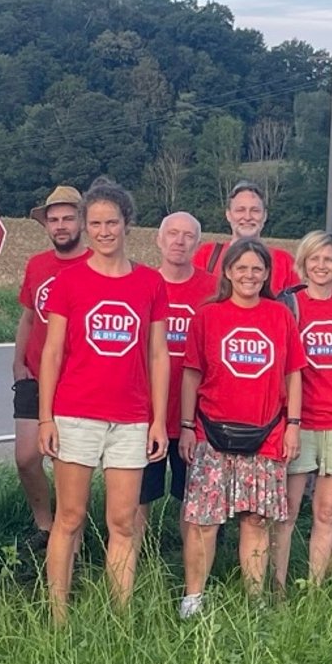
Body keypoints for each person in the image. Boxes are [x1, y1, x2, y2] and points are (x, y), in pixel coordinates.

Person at [38, 180, 169, 622]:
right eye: (95, 223)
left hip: (131, 418)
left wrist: (158, 420)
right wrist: (45, 418)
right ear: (85, 227)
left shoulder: (150, 283)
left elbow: (157, 353)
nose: (103, 231)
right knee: (70, 517)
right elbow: (52, 352)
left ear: (127, 223)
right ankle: (57, 614)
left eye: (111, 222)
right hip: (75, 413)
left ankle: (121, 614)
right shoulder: (69, 281)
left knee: (124, 522)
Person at [178, 238, 304, 615]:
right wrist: (186, 426)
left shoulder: (280, 315)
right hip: (211, 433)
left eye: (257, 269)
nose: (249, 275)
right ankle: (194, 597)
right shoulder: (207, 315)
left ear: (267, 274)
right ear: (228, 271)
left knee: (256, 520)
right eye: (241, 268)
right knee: (204, 521)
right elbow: (191, 374)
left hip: (266, 432)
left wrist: (293, 425)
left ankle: (254, 600)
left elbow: (294, 374)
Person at [269, 231, 332, 589]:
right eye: (315, 259)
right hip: (301, 422)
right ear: (304, 263)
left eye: (329, 260)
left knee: (326, 512)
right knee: (288, 512)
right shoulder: (288, 307)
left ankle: (314, 586)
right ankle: (277, 587)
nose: (321, 266)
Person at [13, 185, 88, 548]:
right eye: (54, 220)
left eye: (68, 218)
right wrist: (17, 361)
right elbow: (28, 317)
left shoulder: (94, 265)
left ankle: (71, 530)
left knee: (67, 462)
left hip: (76, 378)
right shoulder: (37, 265)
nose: (60, 226)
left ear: (82, 222)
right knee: (27, 457)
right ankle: (44, 525)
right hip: (35, 372)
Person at [141, 211, 207, 511]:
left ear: (197, 244)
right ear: (159, 239)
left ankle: (196, 559)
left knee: (195, 502)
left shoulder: (214, 289)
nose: (179, 241)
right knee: (136, 500)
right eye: (172, 233)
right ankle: (132, 559)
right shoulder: (140, 284)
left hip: (197, 416)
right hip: (146, 412)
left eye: (188, 235)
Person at [192, 181, 298, 294]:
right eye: (240, 210)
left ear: (265, 215)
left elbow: (296, 305)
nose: (247, 217)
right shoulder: (206, 255)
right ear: (228, 214)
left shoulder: (284, 261)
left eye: (255, 211)